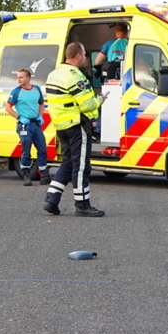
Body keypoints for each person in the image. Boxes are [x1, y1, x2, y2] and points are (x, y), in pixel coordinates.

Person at [42, 42, 106, 216]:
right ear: (78, 56)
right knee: (81, 166)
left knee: (68, 162)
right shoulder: (75, 76)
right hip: (78, 126)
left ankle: (51, 199)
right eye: (84, 54)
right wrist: (100, 100)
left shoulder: (54, 74)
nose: (85, 58)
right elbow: (87, 105)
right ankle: (82, 204)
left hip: (61, 125)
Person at [5, 68, 49, 186]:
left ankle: (44, 174)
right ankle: (26, 174)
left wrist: (40, 115)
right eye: (18, 77)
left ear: (28, 78)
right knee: (26, 150)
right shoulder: (16, 92)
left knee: (42, 149)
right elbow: (8, 107)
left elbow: (41, 103)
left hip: (35, 124)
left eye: (21, 77)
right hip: (24, 125)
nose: (19, 79)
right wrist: (19, 117)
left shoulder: (36, 89)